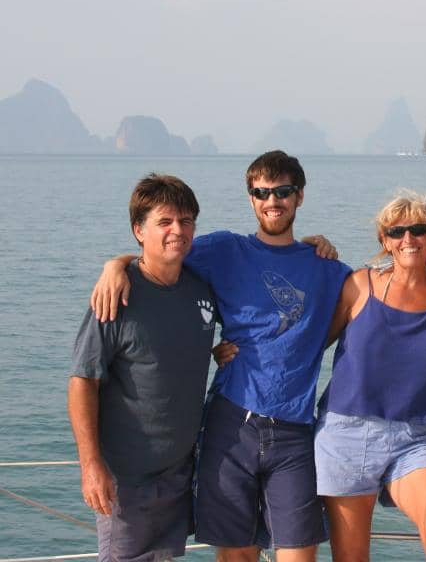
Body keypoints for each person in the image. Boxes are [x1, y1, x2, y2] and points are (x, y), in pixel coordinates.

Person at [90, 151, 350, 562]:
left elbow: (376, 295)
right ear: (250, 198)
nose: (272, 200)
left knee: (300, 554)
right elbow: (160, 255)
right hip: (232, 424)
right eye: (261, 192)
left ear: (299, 196)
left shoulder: (328, 268)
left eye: (283, 191)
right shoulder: (225, 250)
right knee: (236, 555)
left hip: (295, 430)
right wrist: (115, 264)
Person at [68, 174, 218, 561]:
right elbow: (83, 380)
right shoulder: (114, 297)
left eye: (186, 221)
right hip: (126, 479)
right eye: (164, 222)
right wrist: (91, 466)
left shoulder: (201, 290)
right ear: (139, 230)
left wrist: (221, 352)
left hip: (179, 473)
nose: (177, 231)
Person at [317, 193, 426, 561]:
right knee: (352, 556)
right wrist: (234, 348)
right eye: (397, 231)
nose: (408, 239)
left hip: (414, 439)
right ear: (384, 241)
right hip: (345, 435)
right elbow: (311, 344)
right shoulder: (359, 286)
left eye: (418, 230)